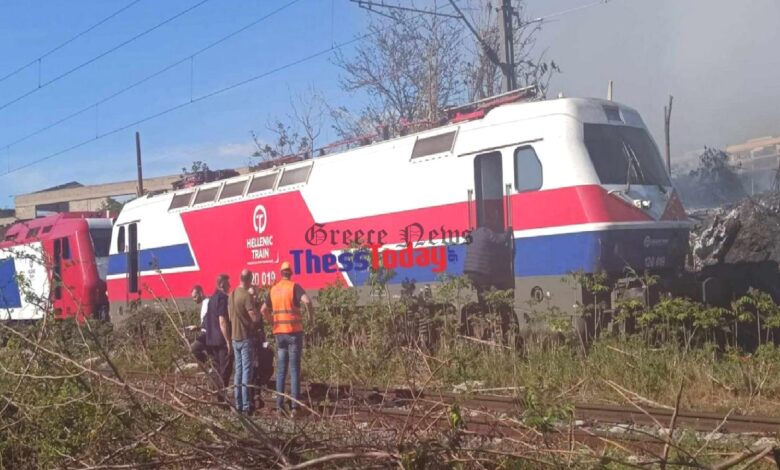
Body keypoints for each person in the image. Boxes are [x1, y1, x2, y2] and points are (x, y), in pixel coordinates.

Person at [261, 261, 314, 416]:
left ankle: (279, 406)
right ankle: (294, 408)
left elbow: (263, 310)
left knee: (281, 370)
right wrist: (311, 318)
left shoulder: (274, 289)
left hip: (279, 334)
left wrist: (272, 322)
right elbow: (308, 301)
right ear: (290, 273)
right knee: (294, 370)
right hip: (294, 333)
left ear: (280, 273)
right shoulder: (294, 287)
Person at [228, 269, 263, 415]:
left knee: (238, 371)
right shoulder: (247, 296)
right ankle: (246, 405)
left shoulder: (232, 294)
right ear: (249, 279)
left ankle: (238, 403)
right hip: (245, 337)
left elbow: (230, 316)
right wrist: (259, 312)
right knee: (246, 372)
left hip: (235, 337)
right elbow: (254, 317)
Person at [203, 274, 233, 402]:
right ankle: (222, 398)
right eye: (227, 284)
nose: (229, 286)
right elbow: (222, 320)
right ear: (222, 284)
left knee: (216, 369)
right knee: (225, 369)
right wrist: (228, 341)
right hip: (221, 340)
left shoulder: (211, 299)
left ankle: (217, 395)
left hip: (211, 340)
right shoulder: (222, 298)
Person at [189, 284, 210, 363]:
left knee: (193, 349)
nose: (194, 299)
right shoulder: (204, 303)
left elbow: (208, 321)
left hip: (207, 334)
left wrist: (198, 327)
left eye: (195, 297)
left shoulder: (207, 303)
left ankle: (207, 362)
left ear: (201, 293)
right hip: (205, 333)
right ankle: (210, 364)